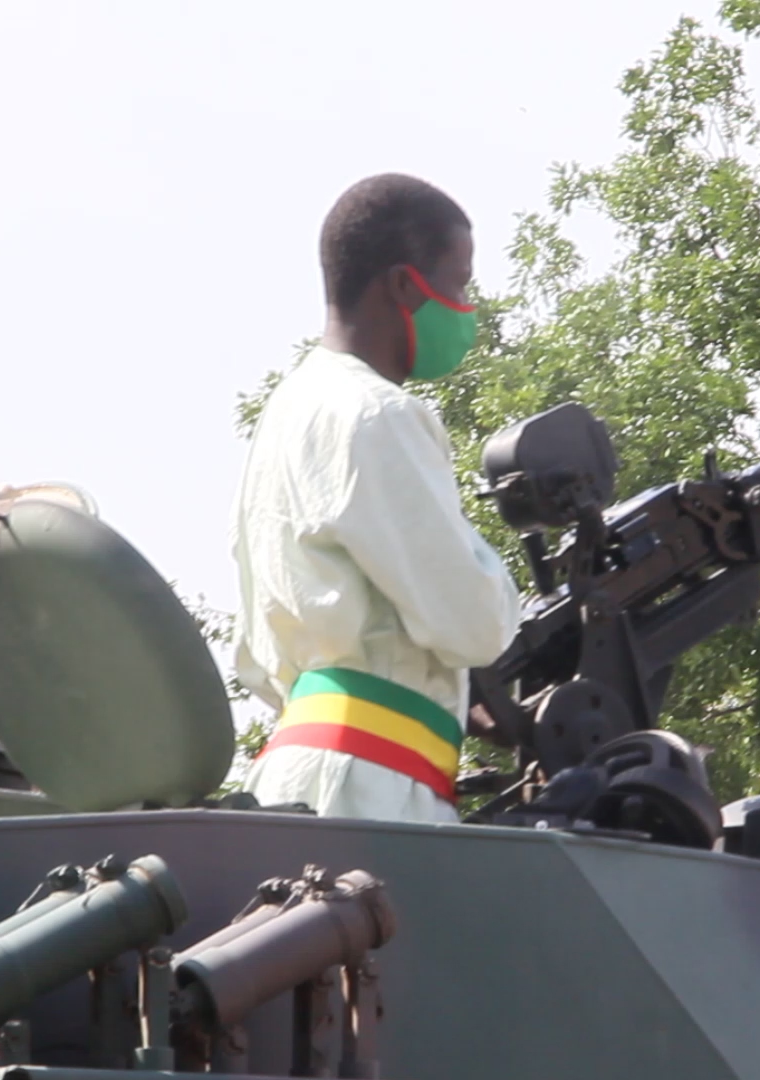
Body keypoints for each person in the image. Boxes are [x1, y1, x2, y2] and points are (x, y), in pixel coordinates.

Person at [231, 173, 521, 824]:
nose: (466, 307)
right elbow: (473, 623)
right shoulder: (376, 414)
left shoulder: (289, 411)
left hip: (305, 769)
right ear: (403, 286)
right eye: (459, 283)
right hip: (373, 787)